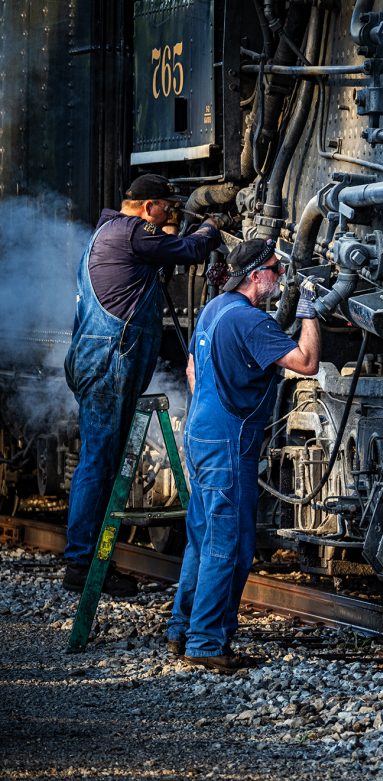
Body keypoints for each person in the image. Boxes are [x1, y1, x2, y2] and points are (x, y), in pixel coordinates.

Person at [63, 173, 223, 597]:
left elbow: (163, 253)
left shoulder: (109, 232)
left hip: (99, 359)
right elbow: (189, 249)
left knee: (101, 461)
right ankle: (81, 563)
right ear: (148, 207)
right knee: (98, 464)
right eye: (166, 209)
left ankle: (88, 558)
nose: (170, 216)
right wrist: (212, 227)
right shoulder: (132, 233)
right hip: (110, 362)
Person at [167, 239, 320, 672]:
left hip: (202, 433)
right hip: (228, 444)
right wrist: (309, 309)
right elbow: (306, 362)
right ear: (257, 276)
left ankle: (182, 629)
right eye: (275, 269)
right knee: (229, 544)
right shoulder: (252, 322)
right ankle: (206, 642)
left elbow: (193, 372)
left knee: (202, 537)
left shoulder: (215, 309)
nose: (280, 277)